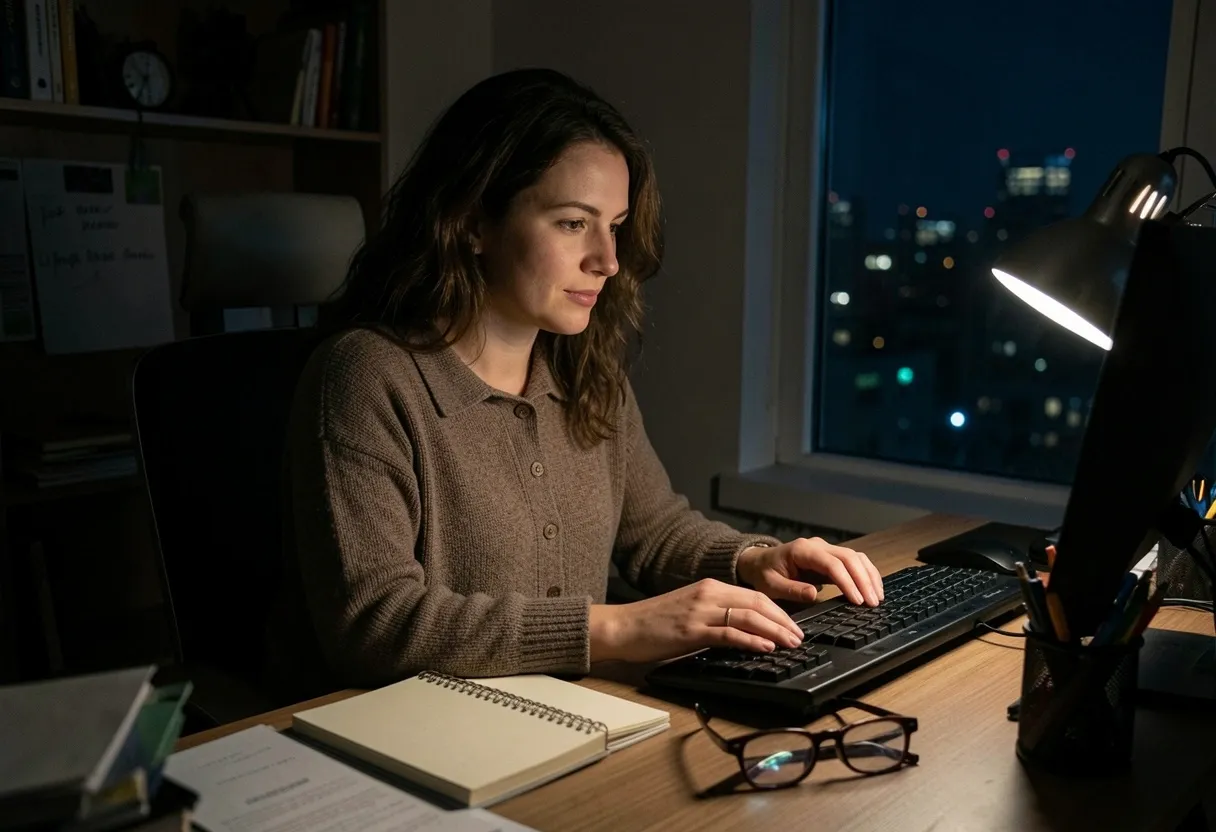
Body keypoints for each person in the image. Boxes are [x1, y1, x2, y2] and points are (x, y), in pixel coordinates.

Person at [267, 68, 883, 700]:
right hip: (416, 729)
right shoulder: (367, 377)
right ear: (472, 221)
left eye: (614, 225)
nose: (608, 261)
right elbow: (374, 623)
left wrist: (753, 560)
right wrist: (616, 628)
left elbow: (654, 531)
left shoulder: (586, 373)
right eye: (571, 223)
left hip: (571, 708)